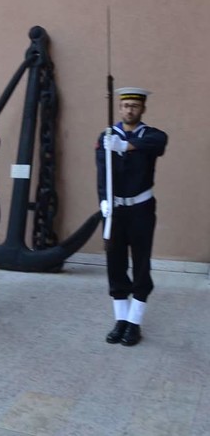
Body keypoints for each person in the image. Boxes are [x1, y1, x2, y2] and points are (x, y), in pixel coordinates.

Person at [96, 87, 168, 347]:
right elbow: (101, 173)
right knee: (115, 264)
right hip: (115, 210)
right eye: (125, 105)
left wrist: (126, 146)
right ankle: (121, 320)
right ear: (119, 108)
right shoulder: (106, 137)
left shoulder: (150, 135)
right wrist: (103, 201)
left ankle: (135, 323)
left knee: (140, 263)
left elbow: (160, 143)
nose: (129, 110)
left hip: (141, 209)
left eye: (134, 106)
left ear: (142, 109)